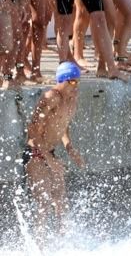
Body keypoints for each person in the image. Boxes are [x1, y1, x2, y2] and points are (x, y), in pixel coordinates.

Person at [24, 62, 84, 239]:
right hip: (35, 153)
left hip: (50, 153)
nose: (76, 86)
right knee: (43, 204)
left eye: (78, 82)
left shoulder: (71, 99)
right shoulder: (51, 97)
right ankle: (39, 247)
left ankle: (62, 244)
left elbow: (62, 125)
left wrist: (69, 148)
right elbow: (32, 131)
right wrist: (49, 161)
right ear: (62, 80)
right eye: (72, 82)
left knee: (61, 202)